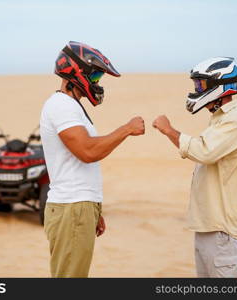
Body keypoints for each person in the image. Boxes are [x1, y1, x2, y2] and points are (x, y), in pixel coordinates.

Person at [40, 41, 145, 278]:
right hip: (71, 208)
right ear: (77, 72)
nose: (97, 82)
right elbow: (87, 152)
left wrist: (93, 208)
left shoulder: (70, 106)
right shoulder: (61, 105)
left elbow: (79, 164)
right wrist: (126, 129)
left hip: (78, 207)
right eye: (95, 75)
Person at [152, 57, 237, 277]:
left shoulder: (235, 120)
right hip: (210, 226)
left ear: (220, 86)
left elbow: (203, 151)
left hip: (221, 229)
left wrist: (168, 130)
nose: (197, 90)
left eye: (201, 85)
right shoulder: (222, 119)